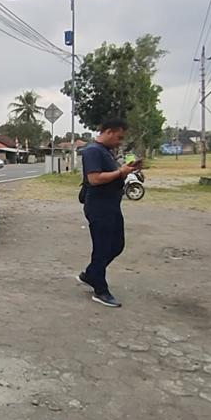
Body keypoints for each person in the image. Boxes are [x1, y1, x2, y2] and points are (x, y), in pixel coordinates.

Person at [76, 117, 140, 308]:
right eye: (118, 137)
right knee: (102, 246)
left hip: (111, 204)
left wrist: (128, 171)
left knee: (117, 245)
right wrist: (121, 172)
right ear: (109, 132)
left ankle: (91, 273)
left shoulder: (106, 151)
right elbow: (94, 179)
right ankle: (100, 289)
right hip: (99, 205)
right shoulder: (92, 151)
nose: (119, 142)